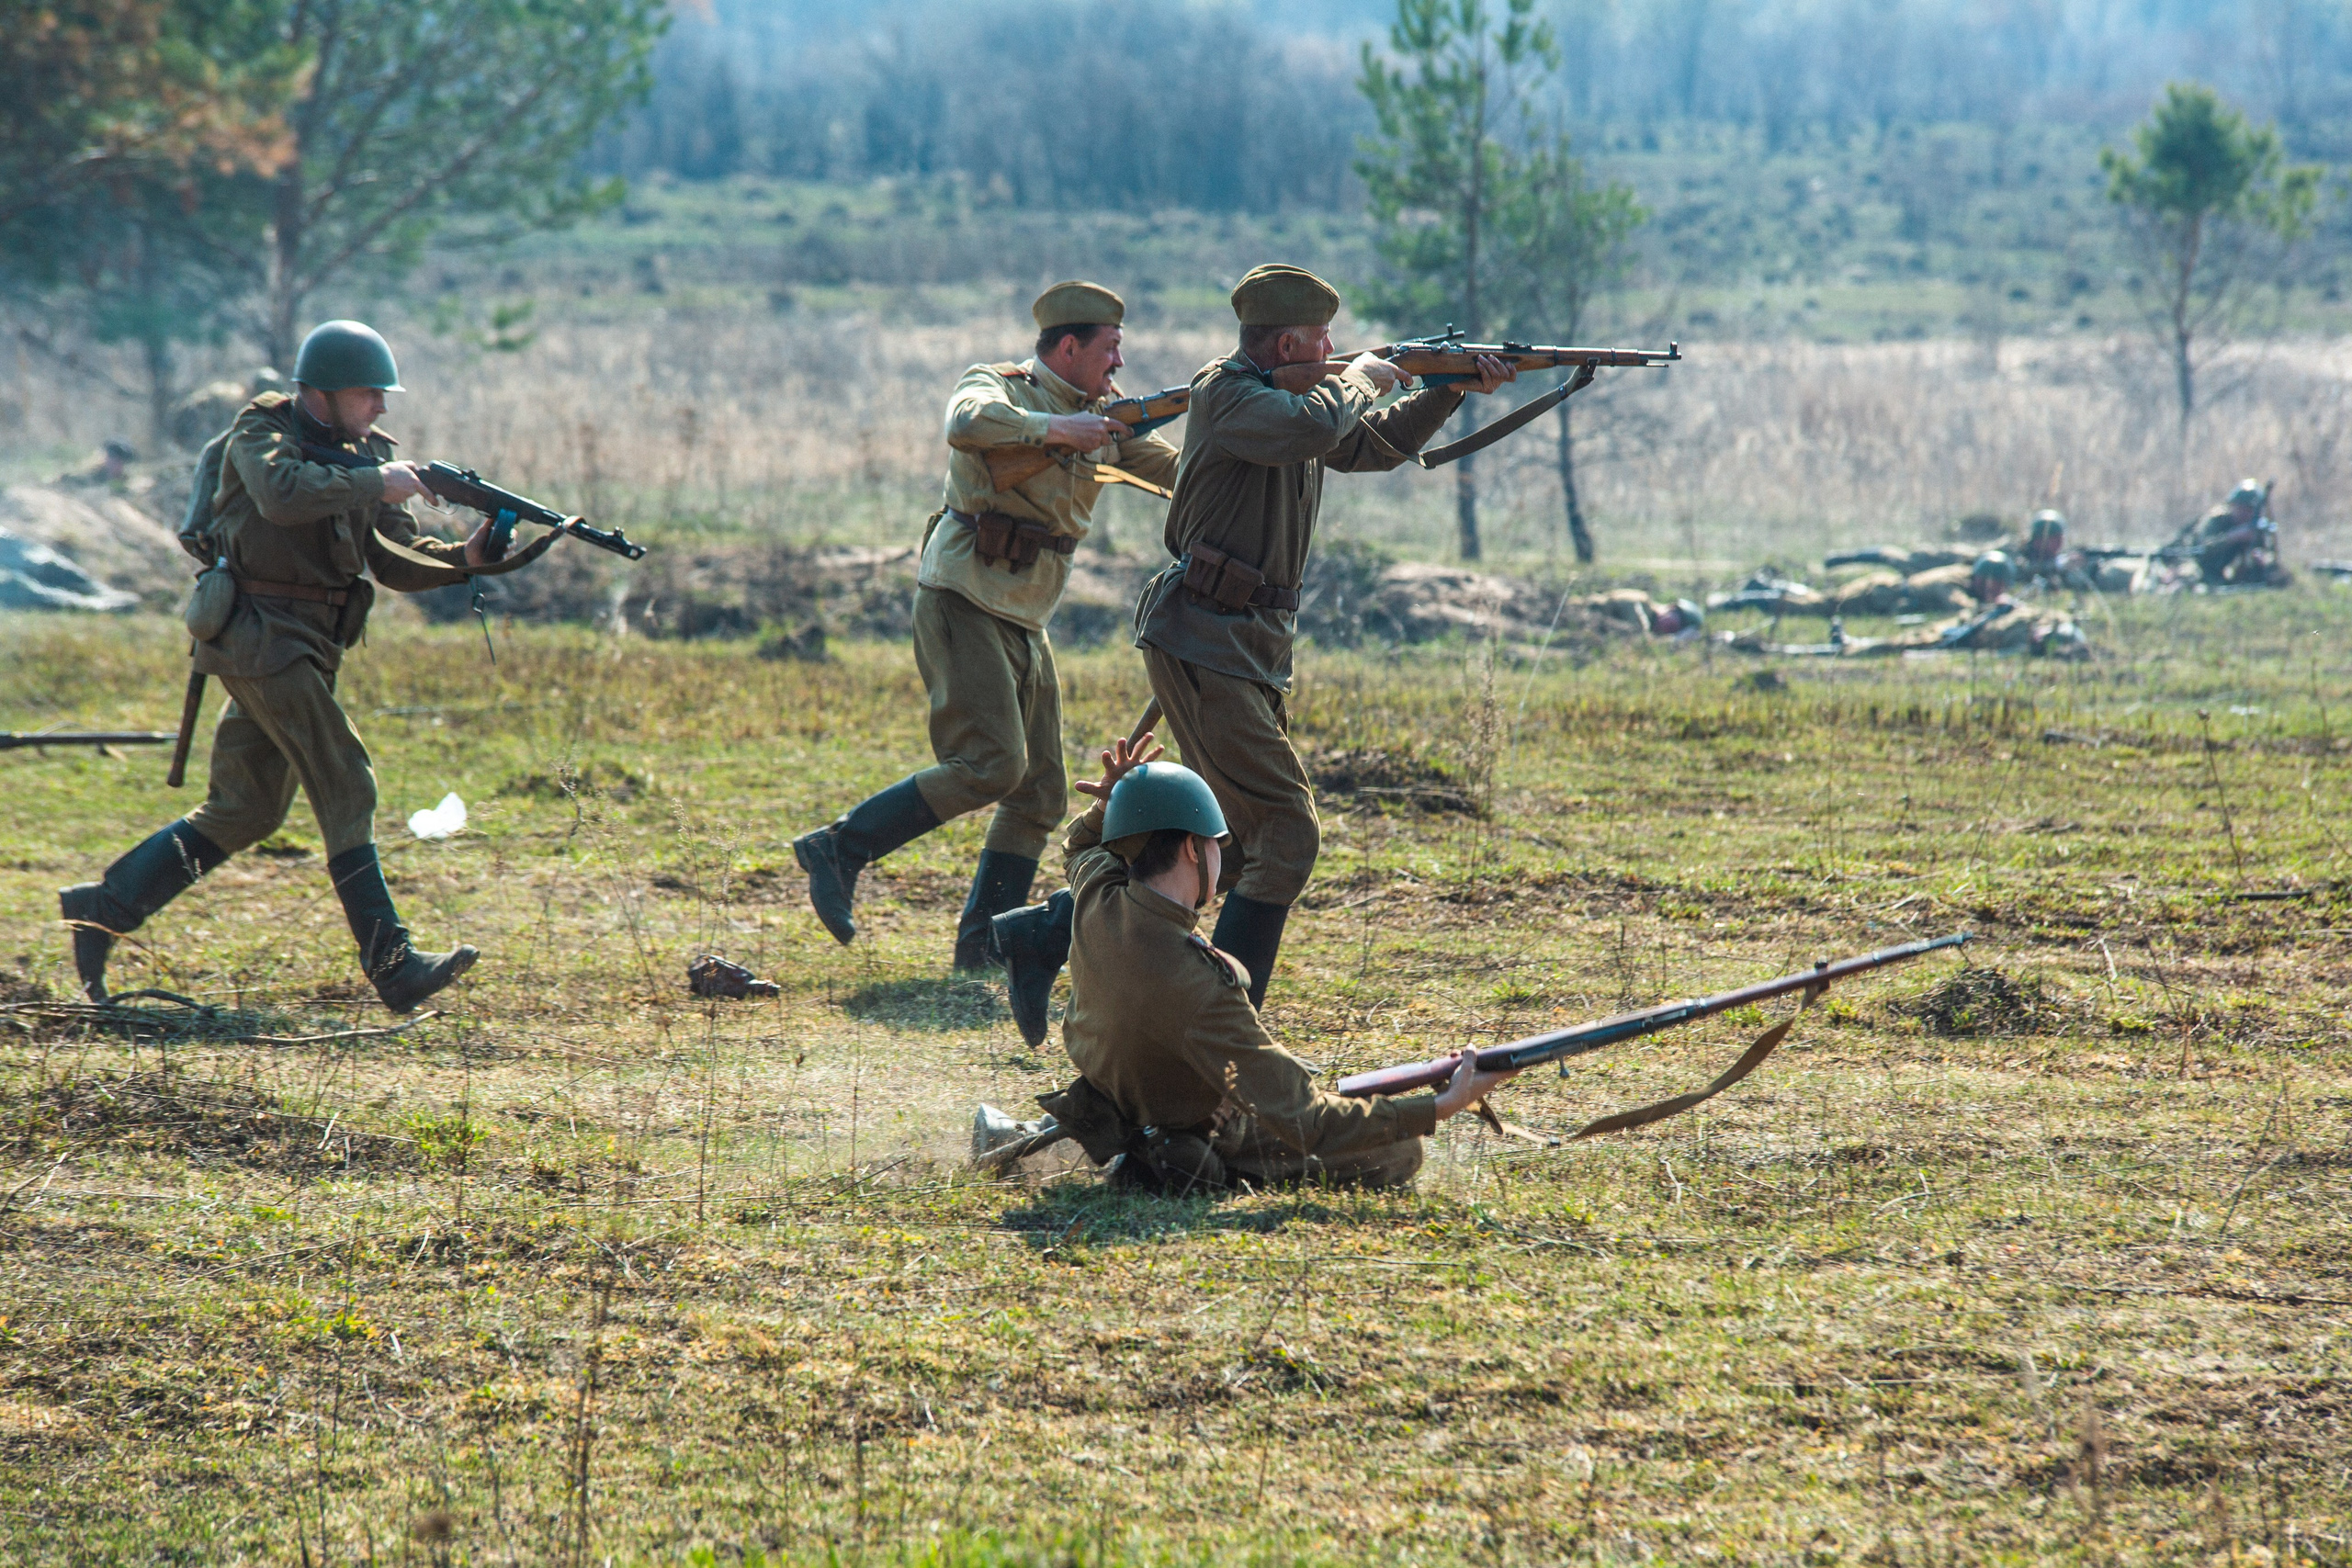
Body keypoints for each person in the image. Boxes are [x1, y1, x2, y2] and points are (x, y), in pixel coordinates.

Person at [59, 320, 492, 1010]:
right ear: (323, 391)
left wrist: (464, 558)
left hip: (308, 647)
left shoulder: (362, 454)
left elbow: (392, 560)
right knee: (347, 782)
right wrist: (374, 482)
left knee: (246, 808)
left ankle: (105, 906)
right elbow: (281, 494)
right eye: (369, 392)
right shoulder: (260, 435)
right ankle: (394, 965)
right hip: (260, 638)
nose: (382, 406)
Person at [1127, 262, 1514, 1007]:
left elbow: (1369, 446)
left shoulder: (1295, 402)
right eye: (1322, 338)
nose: (1334, 349)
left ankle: (1050, 933)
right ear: (1285, 345)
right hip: (1208, 635)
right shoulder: (1230, 394)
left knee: (1233, 845)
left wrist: (1448, 388)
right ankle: (1225, 1020)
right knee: (1286, 835)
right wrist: (1368, 376)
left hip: (1240, 644)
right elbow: (1312, 426)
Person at [789, 282, 1182, 970]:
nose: (1119, 363)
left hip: (1026, 614)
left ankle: (980, 948)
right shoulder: (1002, 387)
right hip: (964, 596)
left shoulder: (1104, 421)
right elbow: (965, 420)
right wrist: (1057, 430)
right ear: (1069, 346)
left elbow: (1182, 475)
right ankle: (841, 847)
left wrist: (1254, 437)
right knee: (992, 766)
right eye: (1110, 348)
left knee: (1042, 793)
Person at [1046, 730, 1518, 1191]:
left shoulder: (1098, 900)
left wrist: (1113, 806)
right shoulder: (1200, 986)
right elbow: (1306, 1119)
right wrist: (1442, 1106)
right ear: (1191, 848)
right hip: (1191, 1119)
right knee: (1400, 1151)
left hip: (1119, 1091)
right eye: (1217, 843)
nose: (1222, 854)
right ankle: (1171, 1155)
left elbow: (1080, 848)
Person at [2189, 479, 2284, 587]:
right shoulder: (2217, 520)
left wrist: (2263, 560)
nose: (2244, 513)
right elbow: (2202, 549)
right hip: (2203, 566)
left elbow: (2271, 555)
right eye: (2241, 508)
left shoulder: (2258, 528)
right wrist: (2232, 537)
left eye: (2249, 509)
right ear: (2232, 505)